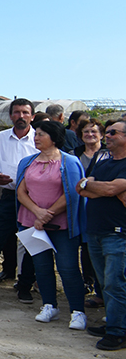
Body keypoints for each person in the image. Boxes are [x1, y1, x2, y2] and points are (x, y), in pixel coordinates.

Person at [15, 120, 88, 330]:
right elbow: (21, 192)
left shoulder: (69, 161)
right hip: (32, 223)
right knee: (42, 266)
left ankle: (77, 311)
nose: (36, 138)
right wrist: (37, 212)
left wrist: (47, 214)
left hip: (62, 225)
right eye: (36, 134)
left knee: (68, 268)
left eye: (41, 134)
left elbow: (73, 192)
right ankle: (49, 305)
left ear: (54, 138)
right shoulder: (28, 162)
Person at [77, 120, 126, 351]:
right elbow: (81, 188)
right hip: (95, 231)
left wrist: (99, 188)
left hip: (117, 233)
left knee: (115, 283)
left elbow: (106, 189)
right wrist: (106, 189)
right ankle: (114, 323)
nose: (107, 135)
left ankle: (118, 332)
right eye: (107, 132)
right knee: (105, 283)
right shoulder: (104, 162)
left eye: (113, 132)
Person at [0, 99, 38, 298]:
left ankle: (24, 285)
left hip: (33, 199)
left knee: (30, 242)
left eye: (25, 112)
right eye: (17, 112)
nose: (21, 116)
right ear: (10, 116)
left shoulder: (39, 139)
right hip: (8, 196)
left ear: (32, 116)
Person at [74, 118, 111, 307]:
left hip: (101, 207)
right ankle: (87, 282)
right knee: (86, 248)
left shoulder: (109, 154)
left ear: (101, 135)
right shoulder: (74, 154)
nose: (90, 135)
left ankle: (102, 292)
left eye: (94, 131)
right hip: (79, 206)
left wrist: (87, 185)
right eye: (86, 131)